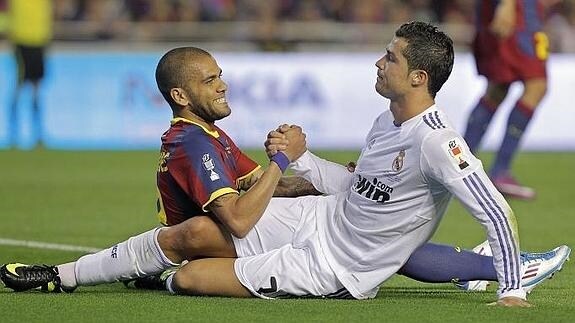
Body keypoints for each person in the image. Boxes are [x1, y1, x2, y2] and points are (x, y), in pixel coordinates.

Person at [1, 40, 569, 305]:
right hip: (325, 219)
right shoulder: (385, 122)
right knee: (195, 235)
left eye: (390, 58)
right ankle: (68, 275)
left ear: (418, 77)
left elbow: (493, 204)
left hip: (332, 263)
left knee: (193, 272)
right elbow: (358, 187)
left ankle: (507, 269)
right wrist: (301, 161)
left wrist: (513, 293)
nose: (377, 61)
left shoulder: (437, 141)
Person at [463, 0, 556, 200]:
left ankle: (459, 166)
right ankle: (499, 171)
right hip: (518, 7)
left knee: (498, 87)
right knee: (536, 85)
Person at [6, 0, 52, 149]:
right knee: (19, 88)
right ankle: (13, 134)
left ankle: (38, 134)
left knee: (36, 90)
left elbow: (47, 17)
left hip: (39, 41)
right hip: (22, 41)